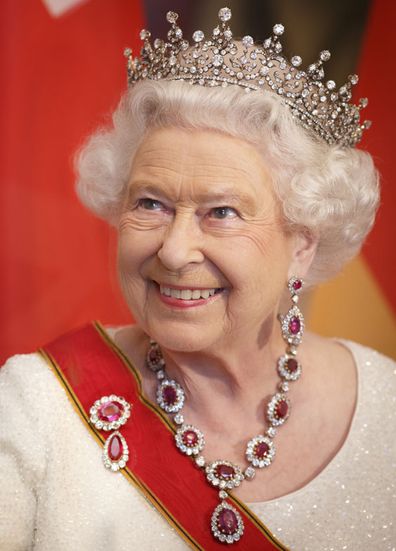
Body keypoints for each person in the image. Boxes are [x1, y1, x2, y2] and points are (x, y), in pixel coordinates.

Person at [1, 7, 395, 550]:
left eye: (222, 212)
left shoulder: (388, 409)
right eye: (151, 203)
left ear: (302, 244)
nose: (175, 248)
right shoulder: (37, 406)